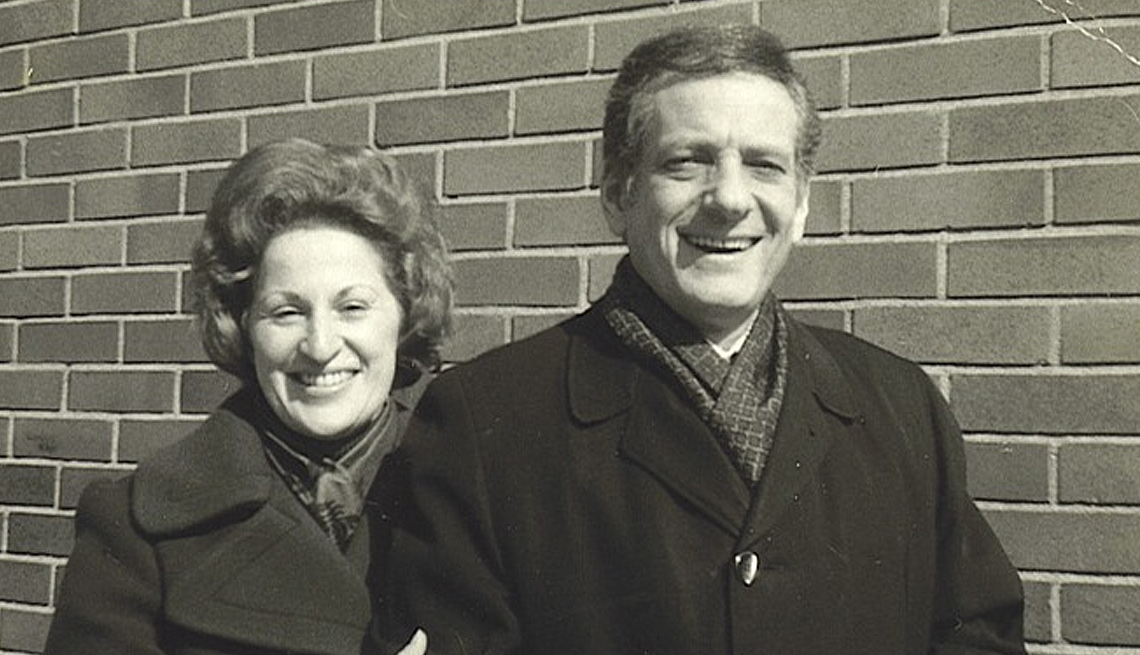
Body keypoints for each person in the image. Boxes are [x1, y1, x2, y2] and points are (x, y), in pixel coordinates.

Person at [378, 25, 1027, 655]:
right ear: (617, 194)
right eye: (687, 161)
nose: (730, 198)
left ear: (800, 204)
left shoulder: (903, 406)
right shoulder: (482, 419)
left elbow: (978, 636)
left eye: (765, 165)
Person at [44, 139, 452, 655]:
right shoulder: (133, 527)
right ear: (243, 327)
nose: (321, 346)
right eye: (286, 312)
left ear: (405, 316)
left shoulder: (479, 494)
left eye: (352, 307)